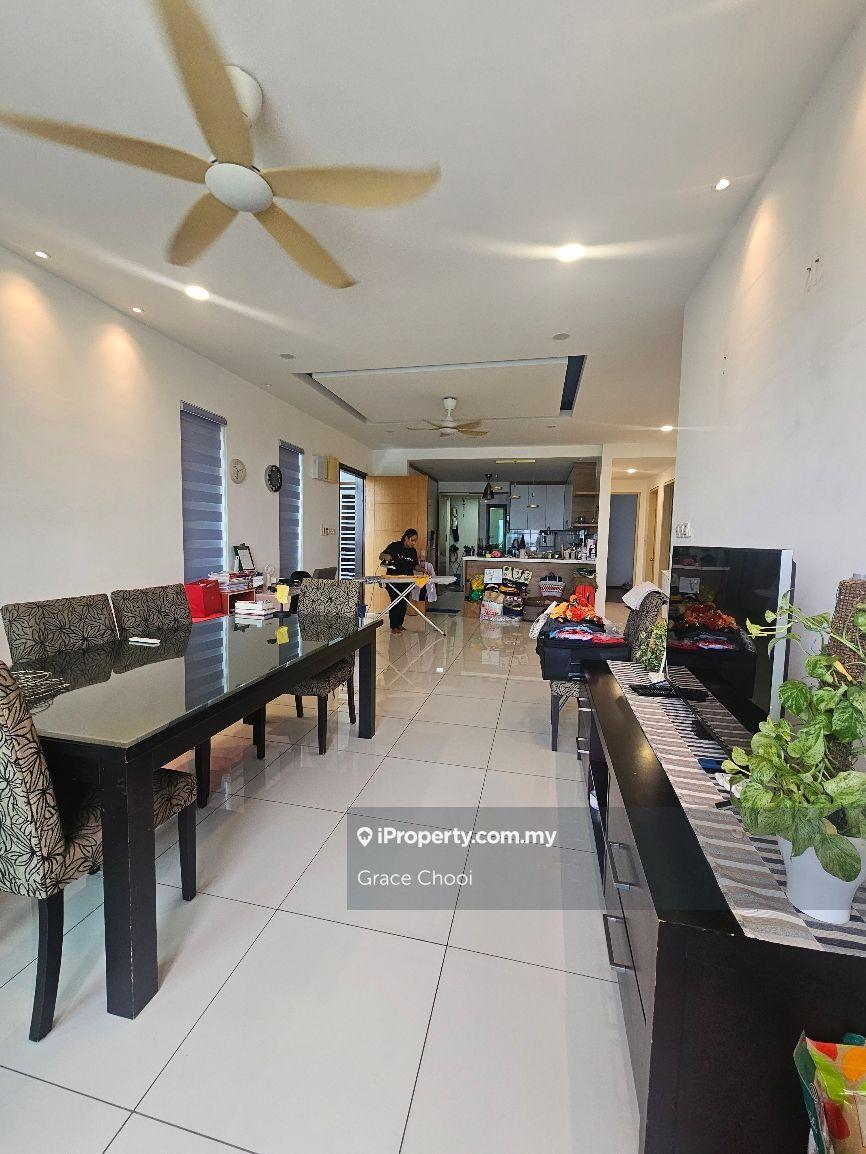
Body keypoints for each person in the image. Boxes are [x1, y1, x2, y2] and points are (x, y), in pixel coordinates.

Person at [379, 529, 419, 633]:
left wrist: (423, 570)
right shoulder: (394, 546)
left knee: (404, 602)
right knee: (395, 601)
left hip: (407, 581)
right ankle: (393, 626)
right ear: (406, 538)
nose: (414, 543)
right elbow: (381, 556)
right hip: (393, 581)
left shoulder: (413, 551)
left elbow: (415, 565)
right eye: (412, 540)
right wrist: (386, 556)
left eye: (415, 541)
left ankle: (400, 624)